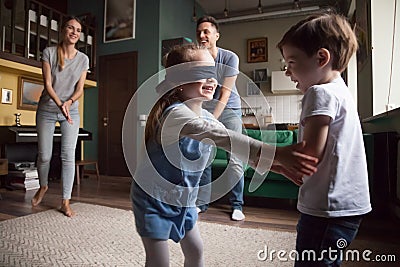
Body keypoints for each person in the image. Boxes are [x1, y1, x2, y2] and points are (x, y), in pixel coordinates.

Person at [130, 44, 318, 267]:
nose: (211, 80)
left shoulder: (208, 116)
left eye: (213, 73)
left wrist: (271, 164)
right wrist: (276, 152)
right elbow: (221, 136)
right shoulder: (175, 115)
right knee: (159, 260)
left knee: (196, 252)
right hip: (154, 198)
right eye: (202, 73)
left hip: (185, 199)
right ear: (179, 81)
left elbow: (231, 144)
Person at [276, 13, 372, 266]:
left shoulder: (318, 93)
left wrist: (269, 159)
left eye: (292, 62)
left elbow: (309, 155)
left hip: (326, 207)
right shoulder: (341, 90)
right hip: (348, 204)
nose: (287, 71)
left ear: (321, 58)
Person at [31, 16, 89, 217]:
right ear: (63, 30)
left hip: (70, 110)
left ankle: (65, 200)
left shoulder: (83, 59)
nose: (74, 32)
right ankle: (43, 186)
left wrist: (69, 103)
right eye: (71, 28)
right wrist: (60, 103)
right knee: (45, 155)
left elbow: (80, 88)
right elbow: (47, 84)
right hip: (47, 108)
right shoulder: (49, 52)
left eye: (78, 30)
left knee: (67, 155)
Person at [195, 15, 246, 221]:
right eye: (199, 32)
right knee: (204, 156)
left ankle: (237, 205)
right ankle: (201, 203)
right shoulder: (197, 58)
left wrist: (212, 120)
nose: (202, 35)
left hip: (229, 109)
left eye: (206, 31)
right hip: (206, 109)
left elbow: (225, 94)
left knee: (234, 158)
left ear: (216, 35)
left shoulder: (229, 57)